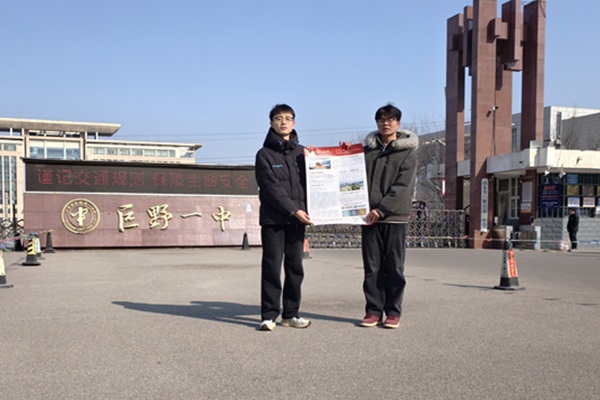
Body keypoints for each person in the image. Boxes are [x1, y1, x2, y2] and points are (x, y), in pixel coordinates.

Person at [358, 104, 418, 329]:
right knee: (372, 267)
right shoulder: (367, 152)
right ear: (377, 123)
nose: (386, 123)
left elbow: (403, 186)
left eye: (390, 120)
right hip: (369, 218)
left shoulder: (407, 152)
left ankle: (393, 312)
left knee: (394, 266)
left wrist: (381, 209)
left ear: (398, 123)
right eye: (382, 120)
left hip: (394, 217)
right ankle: (373, 311)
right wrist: (342, 152)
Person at [255, 104, 312, 331]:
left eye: (288, 118)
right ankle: (269, 315)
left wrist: (334, 155)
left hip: (298, 220)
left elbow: (319, 179)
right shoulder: (264, 155)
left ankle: (291, 314)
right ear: (271, 123)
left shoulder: (304, 153)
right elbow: (271, 188)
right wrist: (293, 209)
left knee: (295, 267)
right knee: (272, 267)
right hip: (274, 220)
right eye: (278, 118)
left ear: (294, 123)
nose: (283, 122)